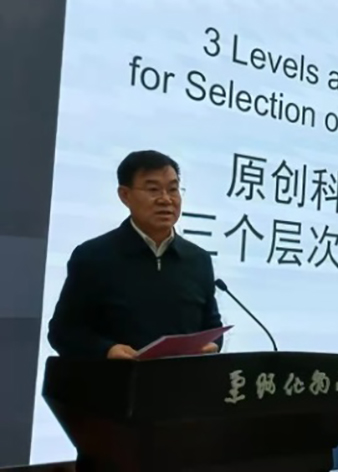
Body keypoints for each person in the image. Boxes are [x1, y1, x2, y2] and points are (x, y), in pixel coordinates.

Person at [48, 150, 223, 471]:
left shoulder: (198, 260)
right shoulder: (94, 257)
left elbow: (211, 325)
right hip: (113, 417)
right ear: (125, 195)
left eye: (173, 189)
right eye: (153, 189)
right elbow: (62, 333)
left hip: (183, 415)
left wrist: (211, 345)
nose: (166, 199)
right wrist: (108, 350)